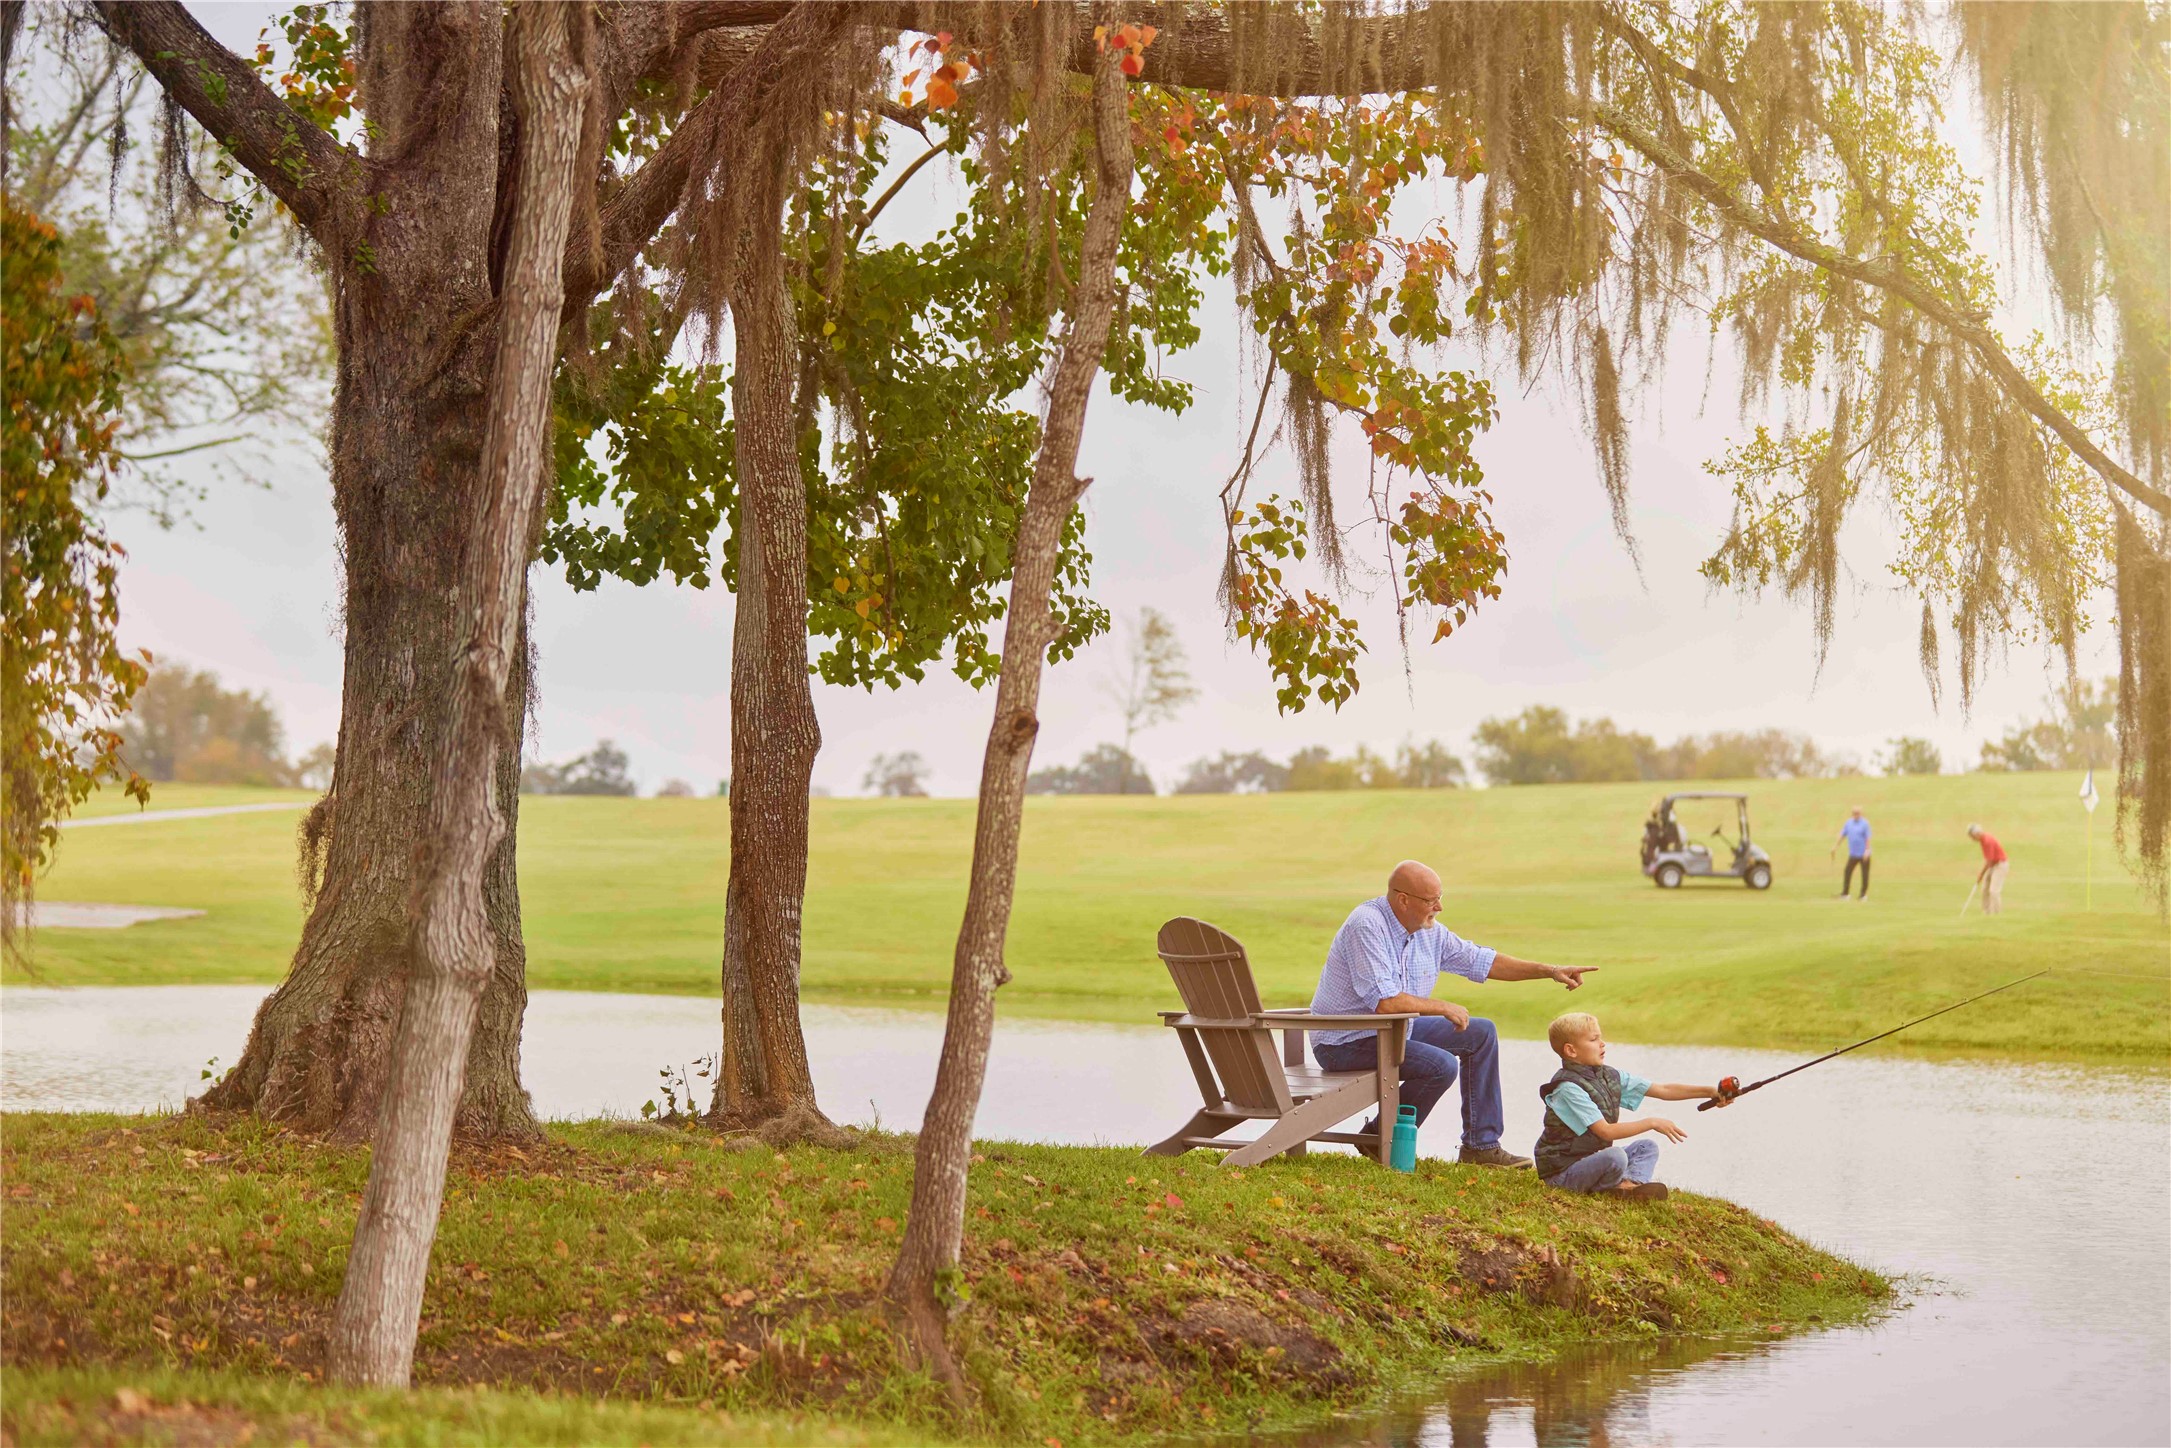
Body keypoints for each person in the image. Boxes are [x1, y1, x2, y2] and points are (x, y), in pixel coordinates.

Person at [1308, 860, 1596, 1169]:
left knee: (1481, 1034)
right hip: (1344, 1041)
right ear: (1403, 899)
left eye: (1440, 897)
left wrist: (1550, 971)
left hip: (1392, 1031)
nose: (1440, 907)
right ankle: (1380, 1137)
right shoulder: (1367, 924)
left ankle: (1480, 1147)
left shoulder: (1428, 932)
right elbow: (1385, 1002)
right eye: (1431, 900)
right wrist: (1443, 1006)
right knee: (1440, 1065)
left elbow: (1483, 961)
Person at [1533, 1012, 1731, 1199]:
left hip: (1591, 1159)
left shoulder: (1608, 1076)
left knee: (1647, 1147)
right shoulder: (1568, 1088)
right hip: (1562, 1174)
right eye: (1593, 1040)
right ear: (1571, 1050)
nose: (1603, 1044)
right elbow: (1606, 1132)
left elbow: (1663, 1089)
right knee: (1616, 1156)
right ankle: (1615, 1187)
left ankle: (1627, 1186)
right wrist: (1652, 1122)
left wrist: (1710, 1091)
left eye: (1600, 1037)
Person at [1968, 824, 2010, 914]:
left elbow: (1989, 861)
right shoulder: (1982, 840)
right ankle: (1987, 912)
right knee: (1985, 889)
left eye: (1972, 836)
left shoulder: (1987, 841)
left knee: (1994, 891)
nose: (1972, 839)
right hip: (1993, 865)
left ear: (1977, 834)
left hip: (2000, 865)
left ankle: (1996, 912)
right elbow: (1989, 861)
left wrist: (1981, 874)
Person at [1831, 807, 1872, 899]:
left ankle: (1863, 895)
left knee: (1864, 874)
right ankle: (1845, 893)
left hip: (1863, 853)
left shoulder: (1865, 824)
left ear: (1861, 814)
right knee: (1847, 871)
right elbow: (1842, 835)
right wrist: (1835, 846)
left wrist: (1867, 850)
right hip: (1853, 853)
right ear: (1852, 814)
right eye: (1854, 813)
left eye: (1858, 813)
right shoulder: (1848, 823)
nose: (1856, 815)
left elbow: (1867, 838)